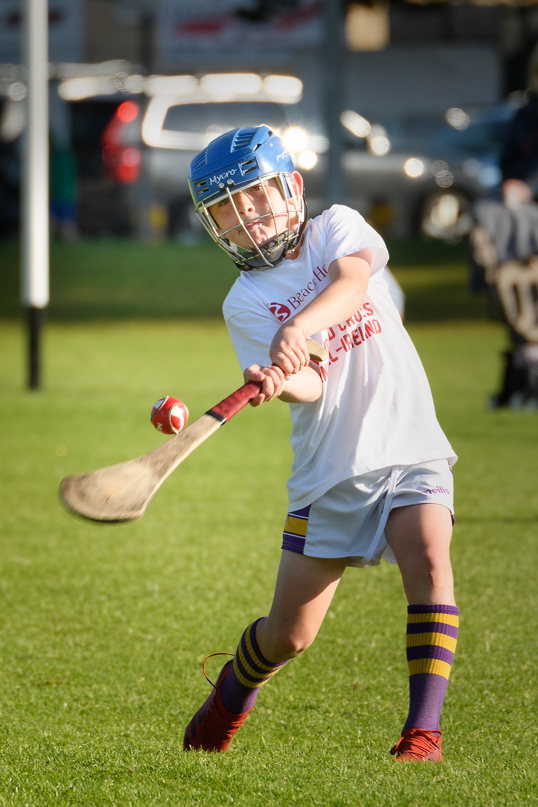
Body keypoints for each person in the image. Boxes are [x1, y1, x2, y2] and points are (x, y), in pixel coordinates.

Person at [183, 124, 459, 762]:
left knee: (430, 562)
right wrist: (280, 378)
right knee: (290, 635)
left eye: (253, 197)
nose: (245, 218)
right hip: (331, 468)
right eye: (227, 210)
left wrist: (299, 327)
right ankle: (231, 691)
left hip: (409, 439)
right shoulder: (246, 301)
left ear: (291, 188)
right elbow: (311, 384)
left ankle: (423, 733)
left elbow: (354, 284)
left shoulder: (337, 226)